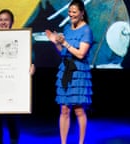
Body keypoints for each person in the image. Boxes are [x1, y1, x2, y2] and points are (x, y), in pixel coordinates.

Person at [45, 0, 93, 144]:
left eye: (74, 12)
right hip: (65, 70)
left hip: (78, 72)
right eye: (70, 12)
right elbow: (63, 53)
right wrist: (56, 43)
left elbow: (80, 54)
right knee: (64, 110)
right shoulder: (67, 28)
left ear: (82, 13)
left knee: (78, 110)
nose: (71, 14)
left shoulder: (86, 30)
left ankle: (81, 142)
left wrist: (65, 43)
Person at [0, 9, 35, 144]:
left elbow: (29, 57)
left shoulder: (20, 39)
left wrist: (31, 66)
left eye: (6, 20)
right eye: (1, 20)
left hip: (13, 87)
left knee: (13, 120)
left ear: (12, 22)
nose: (3, 22)